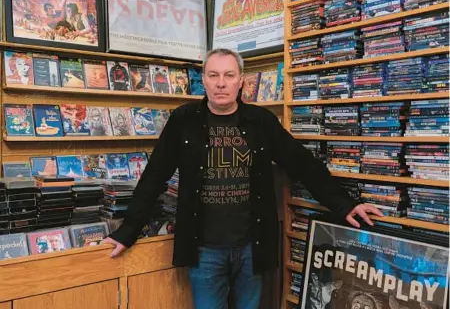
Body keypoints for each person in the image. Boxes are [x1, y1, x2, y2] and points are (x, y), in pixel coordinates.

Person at [103, 48, 383, 309]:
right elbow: (154, 177)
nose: (221, 83)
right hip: (204, 251)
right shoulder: (183, 121)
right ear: (204, 80)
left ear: (241, 82)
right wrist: (127, 232)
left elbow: (302, 163)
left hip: (253, 247)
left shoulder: (261, 122)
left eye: (229, 75)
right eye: (213, 75)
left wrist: (345, 205)